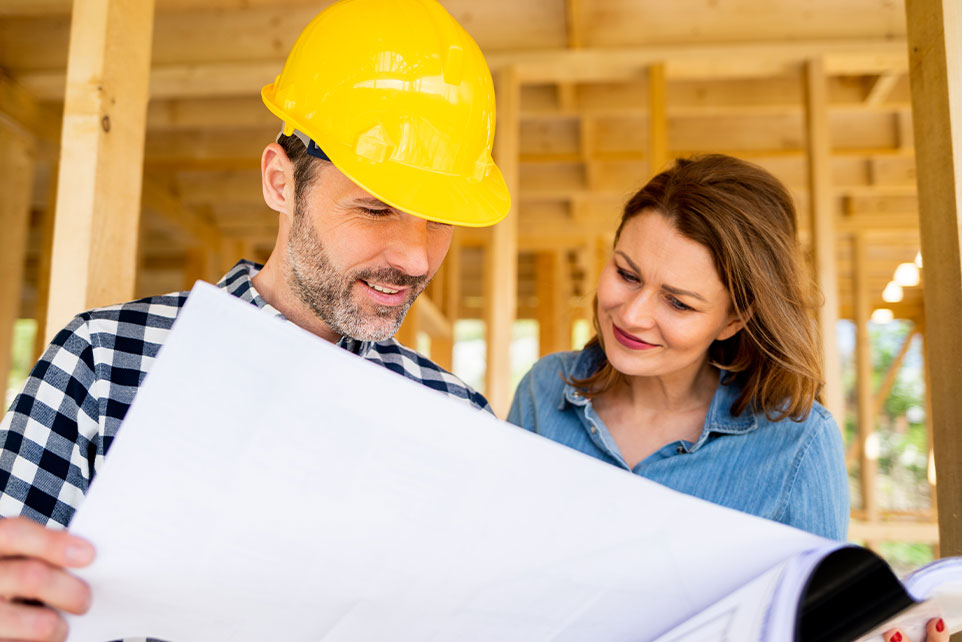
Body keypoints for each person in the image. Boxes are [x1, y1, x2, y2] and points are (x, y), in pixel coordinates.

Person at [0, 0, 508, 638]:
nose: (415, 255)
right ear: (280, 181)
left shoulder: (459, 424)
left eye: (440, 220)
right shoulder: (107, 363)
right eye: (377, 210)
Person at [508, 154, 848, 539]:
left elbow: (823, 600)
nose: (633, 315)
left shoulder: (799, 445)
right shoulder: (543, 390)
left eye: (678, 302)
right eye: (626, 274)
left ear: (734, 319)